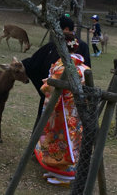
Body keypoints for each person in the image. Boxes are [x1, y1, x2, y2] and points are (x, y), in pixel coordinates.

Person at [34, 35, 89, 186]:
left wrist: (46, 84)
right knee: (72, 141)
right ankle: (55, 171)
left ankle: (65, 176)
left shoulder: (62, 66)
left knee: (62, 142)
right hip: (76, 110)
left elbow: (51, 87)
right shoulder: (83, 67)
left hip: (62, 111)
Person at [21, 16, 91, 125]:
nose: (54, 32)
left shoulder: (81, 47)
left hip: (69, 101)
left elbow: (85, 74)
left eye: (58, 29)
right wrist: (22, 65)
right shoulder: (53, 45)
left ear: (66, 29)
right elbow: (34, 63)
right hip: (52, 97)